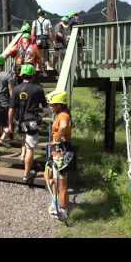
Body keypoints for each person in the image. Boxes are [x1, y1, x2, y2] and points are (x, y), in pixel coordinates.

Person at [8, 64, 48, 184]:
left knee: (25, 140)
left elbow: (11, 109)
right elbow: (45, 108)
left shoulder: (16, 89)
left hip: (20, 122)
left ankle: (22, 156)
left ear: (22, 75)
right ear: (32, 75)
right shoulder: (38, 89)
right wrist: (43, 115)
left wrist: (10, 125)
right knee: (30, 148)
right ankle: (26, 174)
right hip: (32, 122)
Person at [44, 90, 74, 221]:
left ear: (60, 105)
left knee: (62, 185)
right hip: (57, 152)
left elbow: (63, 126)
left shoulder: (63, 115)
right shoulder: (60, 114)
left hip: (62, 152)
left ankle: (63, 210)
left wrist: (57, 138)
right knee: (48, 175)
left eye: (53, 105)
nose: (51, 107)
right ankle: (56, 201)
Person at [31, 8, 53, 76]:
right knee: (45, 54)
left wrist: (33, 40)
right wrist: (52, 40)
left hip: (38, 39)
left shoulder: (34, 21)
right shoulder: (47, 21)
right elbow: (50, 32)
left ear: (38, 14)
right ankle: (46, 68)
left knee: (39, 55)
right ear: (43, 14)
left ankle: (38, 67)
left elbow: (32, 32)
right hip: (45, 38)